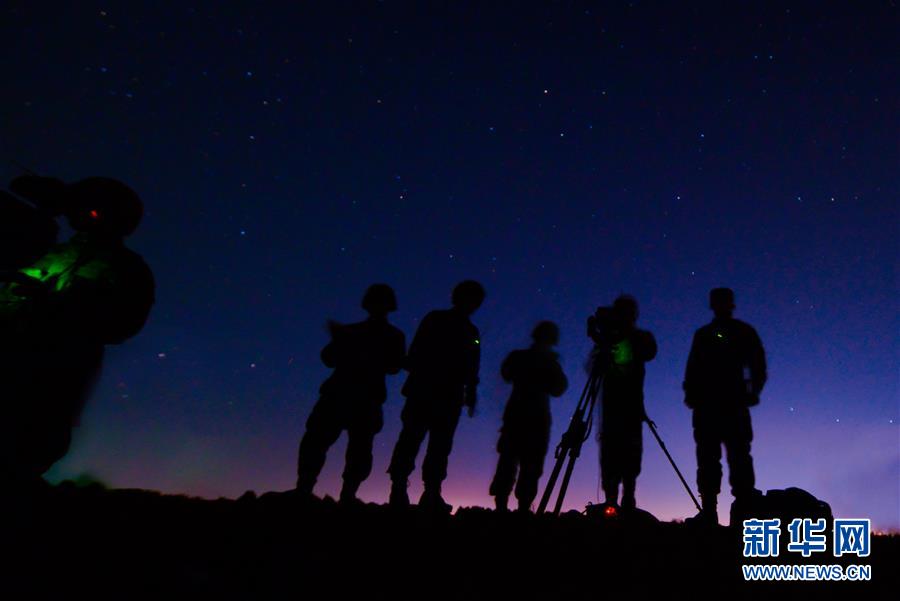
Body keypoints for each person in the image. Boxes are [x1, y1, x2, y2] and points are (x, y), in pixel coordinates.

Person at [0, 176, 155, 488]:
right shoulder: (48, 249)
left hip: (54, 371)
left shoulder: (126, 267)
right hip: (13, 356)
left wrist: (61, 309)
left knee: (25, 448)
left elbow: (125, 321)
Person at [295, 284, 406, 503]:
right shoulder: (386, 334)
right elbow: (329, 357)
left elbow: (393, 366)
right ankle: (312, 490)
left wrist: (351, 345)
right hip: (350, 396)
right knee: (325, 443)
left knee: (353, 449)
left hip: (355, 396)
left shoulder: (370, 333)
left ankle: (331, 492)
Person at [387, 280, 485, 512]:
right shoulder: (439, 320)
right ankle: (401, 487)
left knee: (437, 445)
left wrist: (469, 392)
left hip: (445, 394)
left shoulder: (468, 330)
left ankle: (429, 492)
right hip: (429, 390)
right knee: (413, 439)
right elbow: (417, 352)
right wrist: (468, 390)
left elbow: (472, 365)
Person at [683, 287, 766, 523]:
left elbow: (758, 364)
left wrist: (754, 391)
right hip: (711, 406)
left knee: (737, 457)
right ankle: (711, 511)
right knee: (711, 459)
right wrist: (691, 393)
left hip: (730, 404)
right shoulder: (706, 334)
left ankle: (741, 511)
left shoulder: (740, 332)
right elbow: (693, 368)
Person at [489, 321, 568, 512]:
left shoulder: (521, 358)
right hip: (533, 418)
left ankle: (510, 506)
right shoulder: (545, 362)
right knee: (524, 464)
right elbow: (559, 388)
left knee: (514, 463)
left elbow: (507, 373)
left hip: (522, 417)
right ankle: (519, 507)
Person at [589, 295, 657, 510]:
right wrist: (601, 338)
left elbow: (650, 351)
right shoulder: (611, 338)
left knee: (629, 457)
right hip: (614, 408)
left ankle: (627, 499)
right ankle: (612, 502)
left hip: (631, 407)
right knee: (611, 457)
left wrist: (607, 336)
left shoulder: (639, 338)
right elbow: (595, 365)